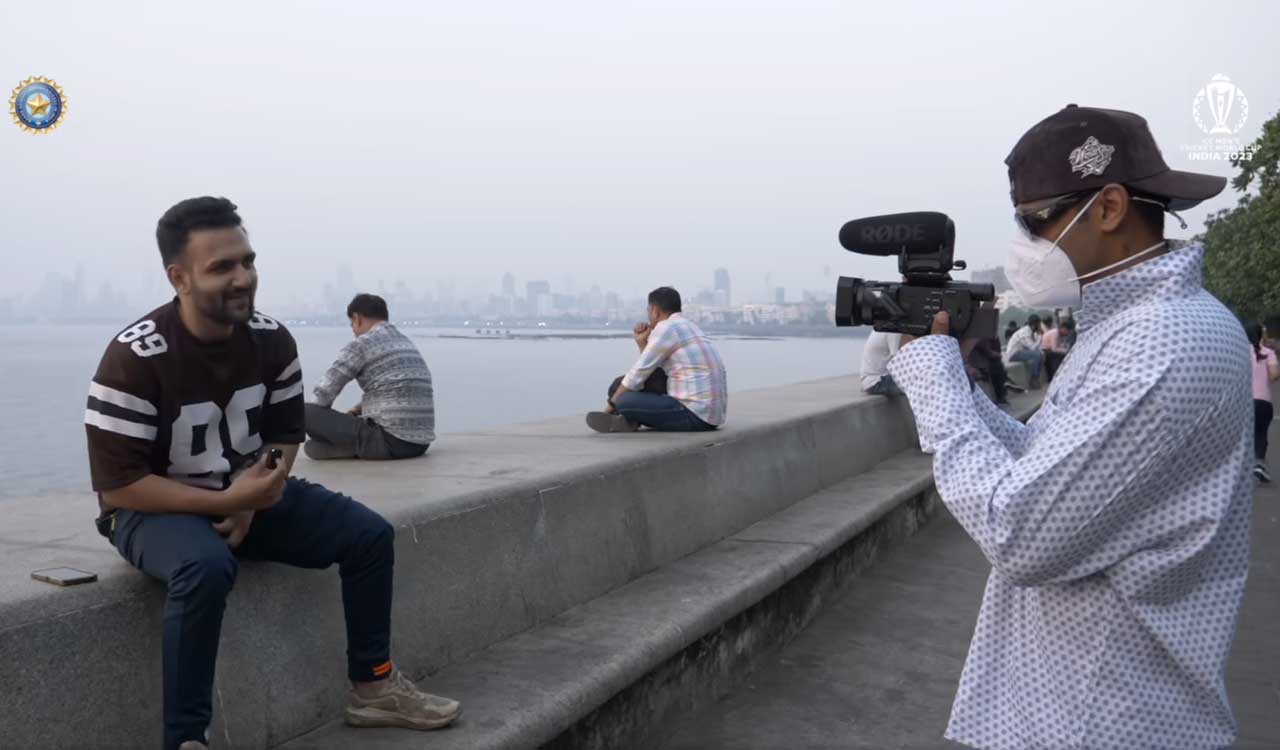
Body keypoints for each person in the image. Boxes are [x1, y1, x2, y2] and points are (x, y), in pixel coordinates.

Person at [887, 105, 1252, 749]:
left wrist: (938, 393)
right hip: (1080, 703)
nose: (1026, 245)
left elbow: (1021, 534)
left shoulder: (1162, 344)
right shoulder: (1123, 327)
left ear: (1109, 207)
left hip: (1105, 715)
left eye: (1036, 220)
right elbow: (1047, 460)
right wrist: (955, 383)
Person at [84, 197, 459, 750]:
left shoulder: (271, 339)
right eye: (222, 268)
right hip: (150, 510)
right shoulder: (135, 357)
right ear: (178, 278)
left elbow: (286, 436)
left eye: (247, 261)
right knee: (206, 568)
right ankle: (186, 739)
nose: (243, 278)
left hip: (243, 497)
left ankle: (373, 688)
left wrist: (251, 497)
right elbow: (117, 486)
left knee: (369, 535)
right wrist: (224, 502)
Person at [305, 293, 434, 460]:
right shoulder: (405, 343)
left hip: (389, 441)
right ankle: (354, 448)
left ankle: (355, 447)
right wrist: (356, 411)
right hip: (419, 445)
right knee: (313, 449)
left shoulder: (361, 344)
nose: (353, 330)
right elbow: (394, 389)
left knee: (302, 412)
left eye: (352, 323)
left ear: (357, 318)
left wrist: (319, 423)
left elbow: (324, 392)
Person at [586, 286, 726, 432]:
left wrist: (609, 408)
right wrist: (642, 343)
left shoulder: (665, 328)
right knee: (619, 385)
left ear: (654, 310)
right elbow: (651, 370)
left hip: (694, 416)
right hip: (713, 416)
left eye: (648, 311)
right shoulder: (689, 326)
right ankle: (628, 421)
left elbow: (638, 373)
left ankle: (625, 418)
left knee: (624, 400)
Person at [1245, 322, 1280, 482]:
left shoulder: (1240, 352)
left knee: (1245, 435)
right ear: (1261, 335)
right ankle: (1258, 465)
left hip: (1244, 401)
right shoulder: (1269, 353)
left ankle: (1244, 468)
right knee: (1260, 434)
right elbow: (1273, 375)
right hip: (1264, 402)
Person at [1002, 314, 1044, 388]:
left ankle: (1036, 377)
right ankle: (1033, 380)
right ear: (1034, 324)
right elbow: (1033, 348)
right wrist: (1040, 336)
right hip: (1013, 354)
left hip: (1020, 352)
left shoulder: (1030, 331)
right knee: (1037, 355)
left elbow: (1033, 347)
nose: (1040, 326)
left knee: (1041, 354)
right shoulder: (1025, 333)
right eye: (1039, 324)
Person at [859, 329, 903, 396]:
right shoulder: (894, 331)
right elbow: (899, 363)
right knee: (916, 386)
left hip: (870, 381)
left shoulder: (881, 327)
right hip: (878, 381)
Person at [1039, 317, 1074, 382]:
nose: (1068, 334)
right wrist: (1065, 351)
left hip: (1050, 350)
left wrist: (1065, 348)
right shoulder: (1055, 333)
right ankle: (1057, 376)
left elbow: (1059, 345)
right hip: (1047, 351)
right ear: (1064, 329)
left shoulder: (1059, 334)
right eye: (1068, 331)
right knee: (1061, 357)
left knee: (1064, 355)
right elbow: (1054, 349)